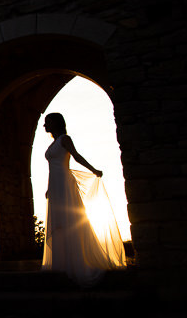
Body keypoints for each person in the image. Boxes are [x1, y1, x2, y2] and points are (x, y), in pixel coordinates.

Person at [40, 112, 126, 287]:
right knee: (58, 224)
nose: (45, 125)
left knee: (69, 221)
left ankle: (78, 264)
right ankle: (62, 263)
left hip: (64, 183)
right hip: (55, 185)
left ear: (56, 123)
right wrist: (49, 187)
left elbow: (76, 156)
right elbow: (51, 168)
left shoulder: (65, 139)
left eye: (47, 122)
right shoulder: (53, 143)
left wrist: (93, 169)